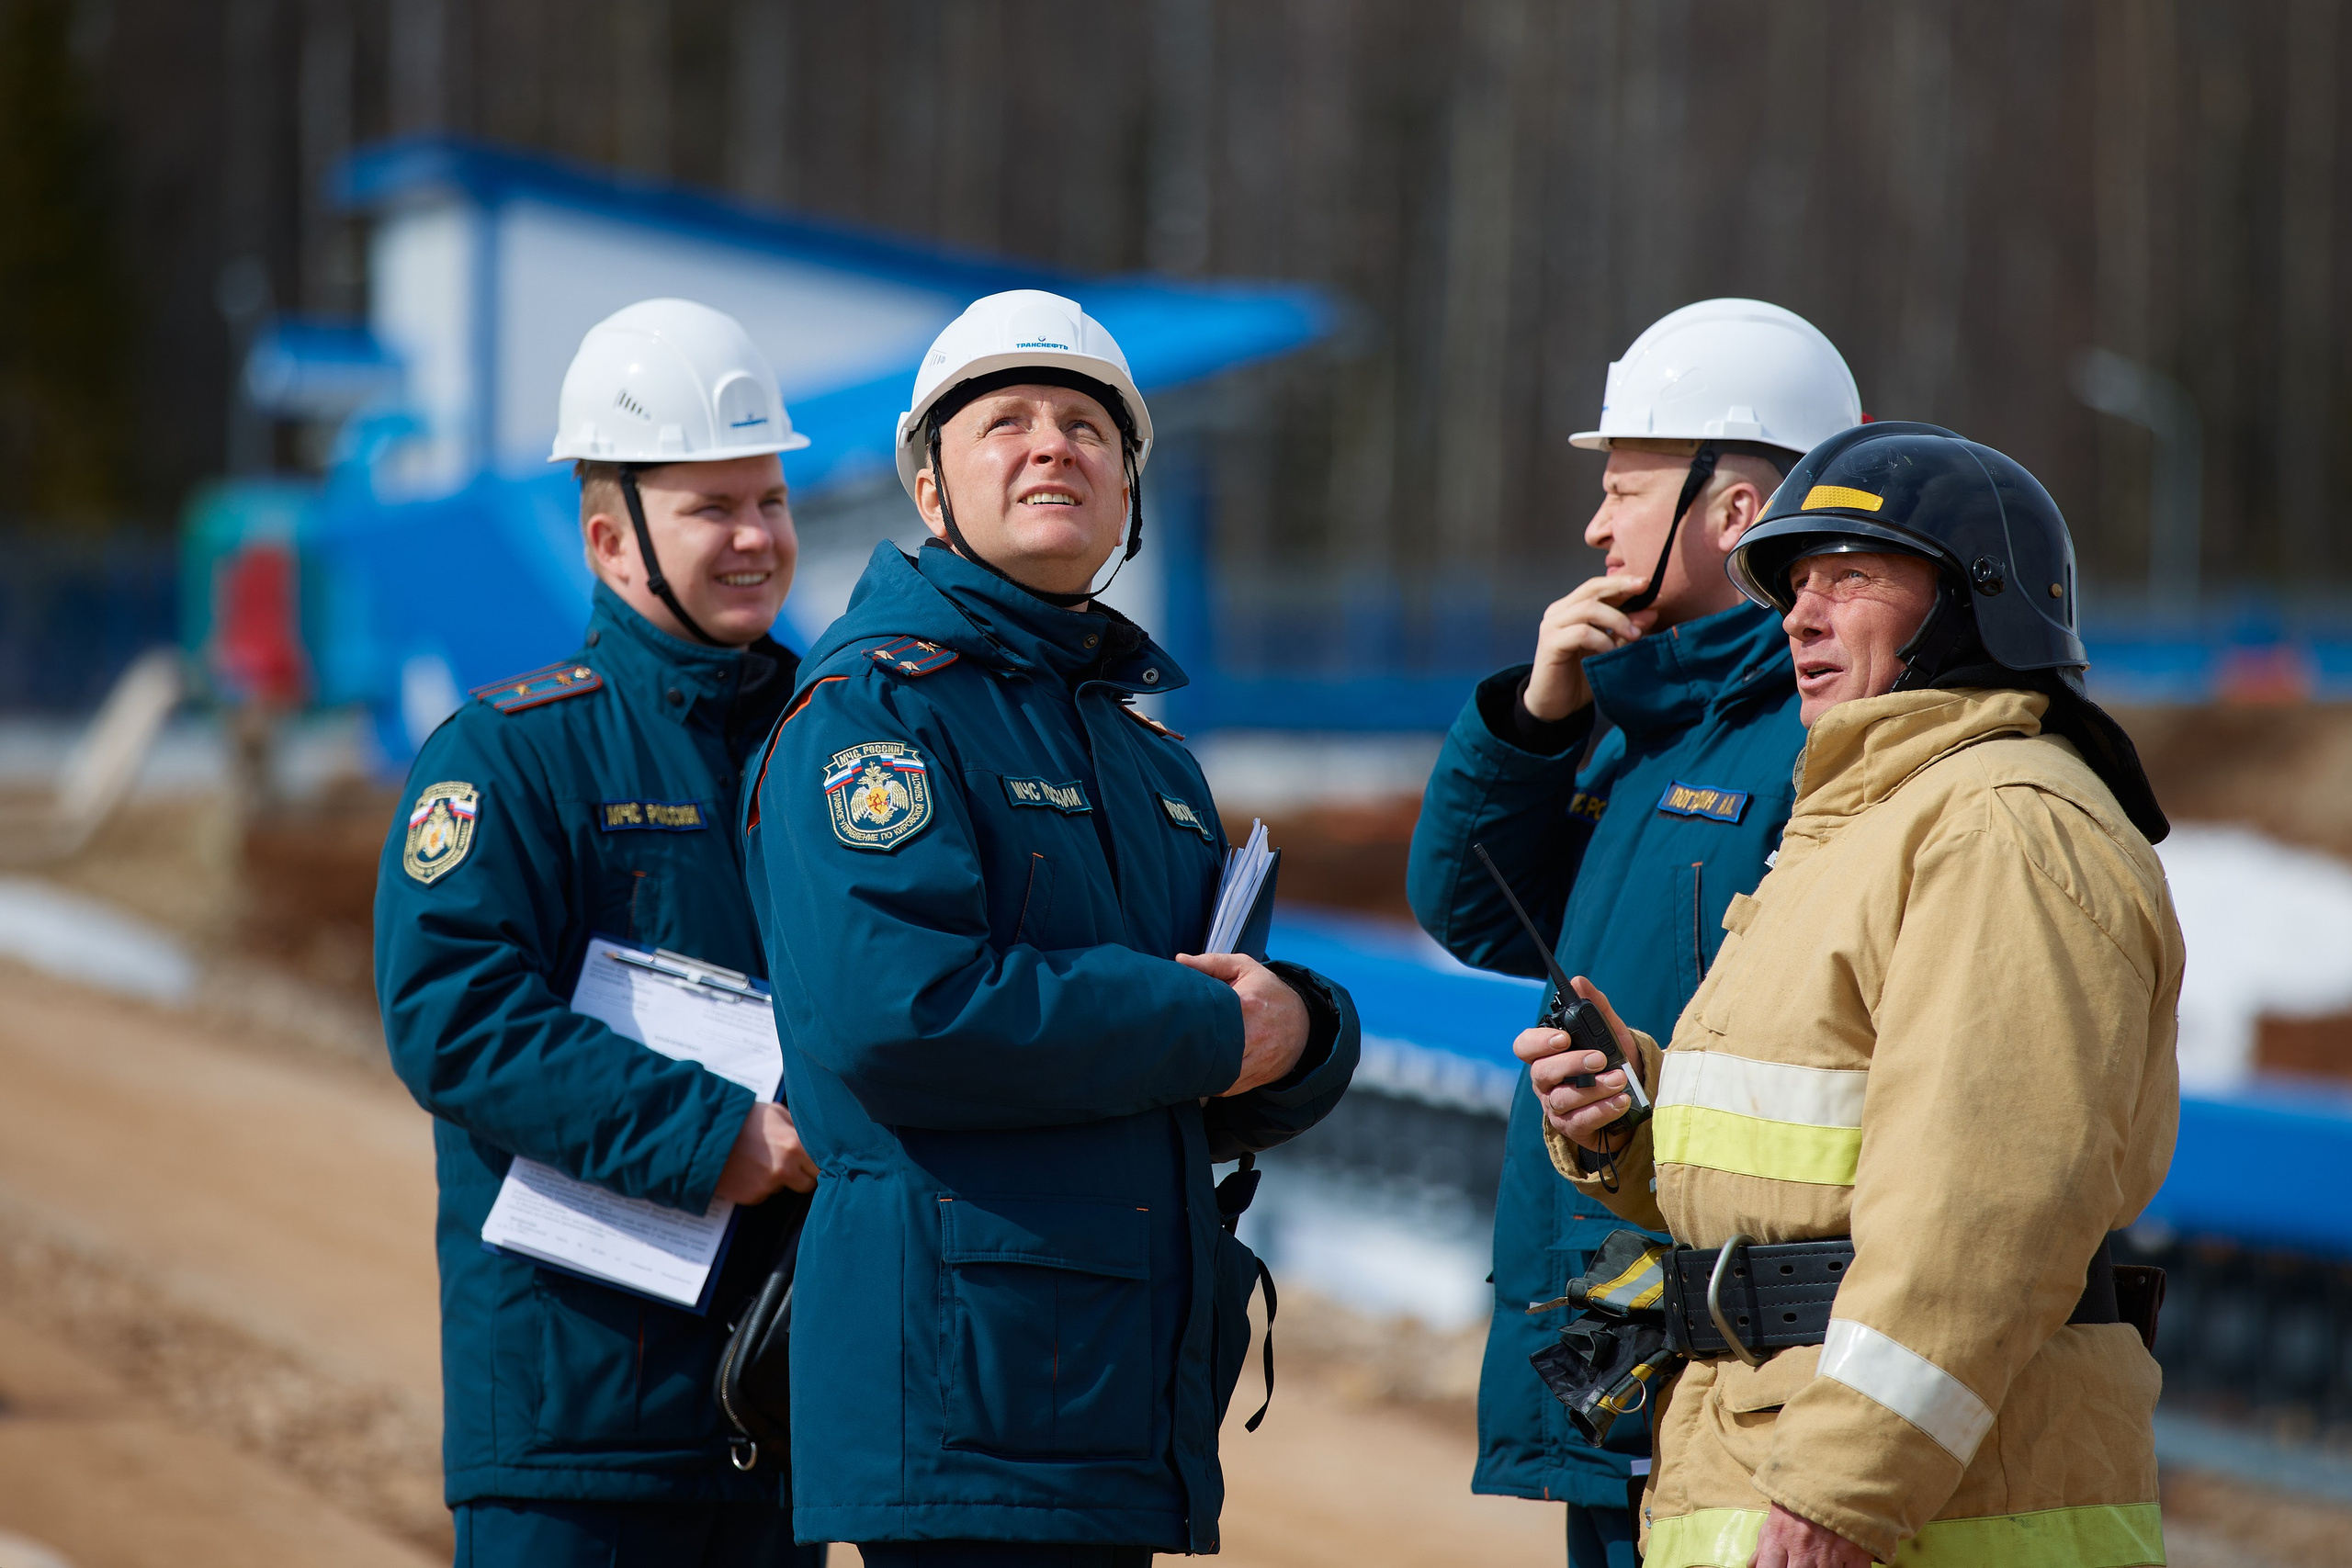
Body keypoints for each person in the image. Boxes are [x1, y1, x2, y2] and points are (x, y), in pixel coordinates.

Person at [739, 288, 1361, 1564]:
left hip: (1111, 1384)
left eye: (1087, 425)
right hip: (966, 1386)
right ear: (928, 488)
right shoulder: (875, 716)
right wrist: (1210, 1023)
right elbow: (901, 1014)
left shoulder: (1149, 759)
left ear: (1129, 488)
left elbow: (1196, 1051)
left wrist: (1303, 1032)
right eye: (1005, 421)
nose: (1051, 445)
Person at [1532, 422, 2180, 1568]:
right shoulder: (1867, 822)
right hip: (1765, 1461)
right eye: (1794, 586)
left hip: (1929, 1513)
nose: (1801, 614)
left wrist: (1849, 1487)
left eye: (1852, 578)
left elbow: (1987, 1205)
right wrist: (1636, 1116)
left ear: (1972, 605)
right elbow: (1820, 1147)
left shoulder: (2002, 826)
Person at [1405, 299, 1861, 1565]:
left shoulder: (1821, 739)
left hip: (1738, 1362)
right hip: (1619, 1344)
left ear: (1733, 511)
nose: (1596, 527)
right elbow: (1469, 904)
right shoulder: (1650, 723)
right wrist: (1536, 719)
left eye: (1624, 487)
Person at [375, 299, 828, 1567]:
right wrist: (708, 1132)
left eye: (770, 501)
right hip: (575, 1423)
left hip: (788, 1411)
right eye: (711, 507)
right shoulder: (512, 756)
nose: (755, 538)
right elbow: (452, 1017)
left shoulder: (836, 747)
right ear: (608, 537)